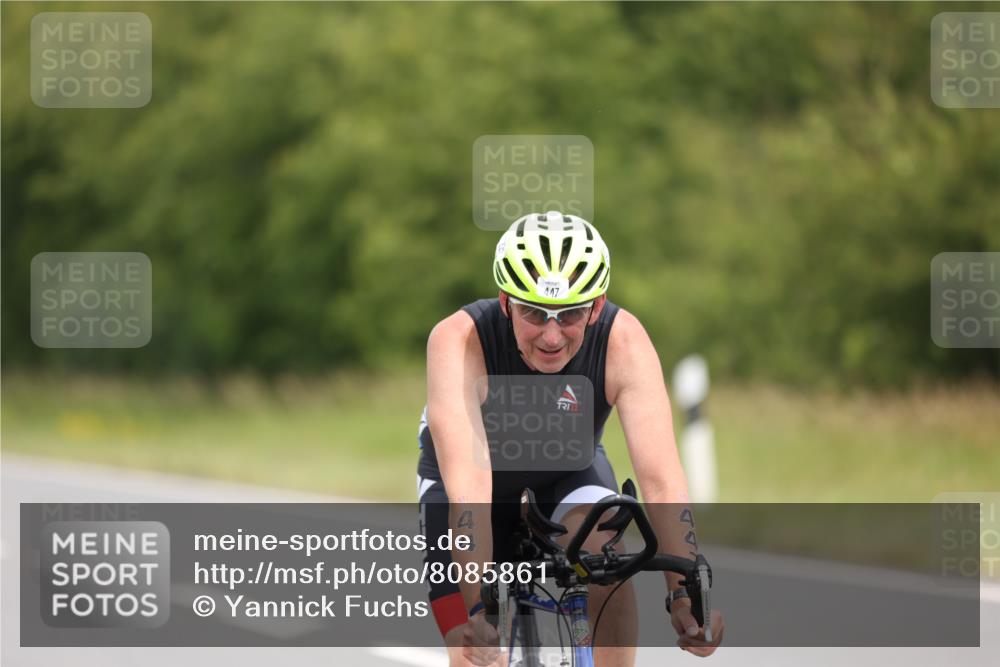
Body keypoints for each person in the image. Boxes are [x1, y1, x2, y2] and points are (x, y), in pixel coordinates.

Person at [417, 211, 724, 666]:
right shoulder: (459, 340)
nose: (551, 335)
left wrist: (686, 596)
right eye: (534, 313)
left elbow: (660, 481)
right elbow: (470, 488)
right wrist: (480, 609)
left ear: (596, 307)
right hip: (467, 487)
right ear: (506, 302)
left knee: (605, 563)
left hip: (567, 471)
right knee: (474, 649)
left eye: (571, 315)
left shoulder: (623, 341)